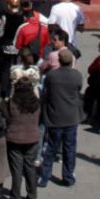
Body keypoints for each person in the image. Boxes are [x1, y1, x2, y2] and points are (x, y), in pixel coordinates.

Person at [37, 49, 84, 188]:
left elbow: (46, 93)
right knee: (69, 149)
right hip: (71, 117)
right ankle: (68, 177)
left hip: (54, 117)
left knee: (50, 147)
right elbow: (78, 90)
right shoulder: (77, 76)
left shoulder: (52, 76)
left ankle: (44, 177)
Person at [5, 80, 40, 199]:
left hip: (14, 139)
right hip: (32, 138)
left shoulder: (12, 103)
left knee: (16, 169)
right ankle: (32, 193)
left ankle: (15, 195)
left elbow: (7, 118)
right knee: (30, 166)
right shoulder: (36, 103)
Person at [0, 0, 26, 96]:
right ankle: (17, 88)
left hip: (7, 44)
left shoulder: (5, 16)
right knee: (18, 66)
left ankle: (4, 89)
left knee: (5, 68)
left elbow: (0, 32)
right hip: (18, 45)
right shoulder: (22, 17)